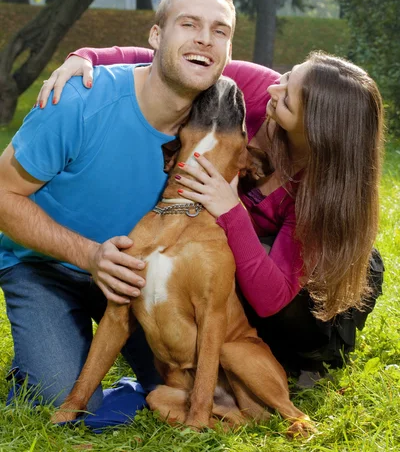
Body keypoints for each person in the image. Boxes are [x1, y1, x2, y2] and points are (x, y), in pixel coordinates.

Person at [40, 45, 384, 383]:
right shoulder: (259, 90)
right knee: (211, 255)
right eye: (288, 75)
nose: (273, 88)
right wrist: (88, 57)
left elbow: (271, 298)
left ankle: (302, 362)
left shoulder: (320, 195)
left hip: (315, 304)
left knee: (248, 264)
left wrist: (230, 207)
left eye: (288, 97)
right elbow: (176, 62)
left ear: (316, 130)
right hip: (250, 257)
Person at [0, 0, 240, 423]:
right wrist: (90, 255)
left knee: (191, 385)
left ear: (227, 52)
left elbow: (301, 95)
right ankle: (38, 366)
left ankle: (124, 380)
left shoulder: (220, 110)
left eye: (219, 31)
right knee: (58, 394)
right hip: (46, 265)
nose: (205, 38)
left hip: (139, 276)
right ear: (155, 35)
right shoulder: (79, 101)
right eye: (188, 24)